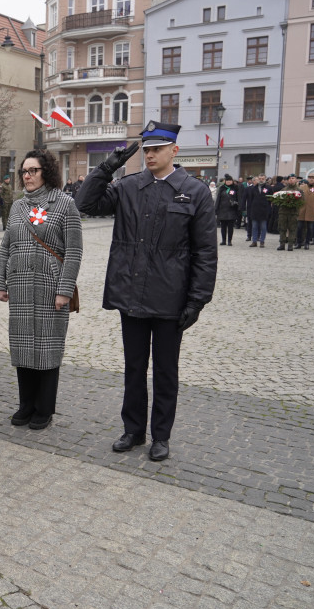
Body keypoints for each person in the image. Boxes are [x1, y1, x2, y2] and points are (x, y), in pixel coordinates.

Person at [75, 121, 217, 462]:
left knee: (166, 371)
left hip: (170, 298)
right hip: (132, 294)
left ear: (174, 150)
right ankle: (134, 429)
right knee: (134, 367)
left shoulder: (194, 191)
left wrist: (198, 300)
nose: (150, 154)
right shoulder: (128, 186)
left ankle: (161, 436)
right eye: (147, 149)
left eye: (157, 149)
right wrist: (108, 167)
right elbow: (85, 203)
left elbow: (206, 252)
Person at [0, 149, 82, 431]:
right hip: (19, 287)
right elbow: (6, 245)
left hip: (49, 287)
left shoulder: (65, 204)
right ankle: (25, 405)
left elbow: (74, 251)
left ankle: (44, 408)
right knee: (22, 348)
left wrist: (65, 290)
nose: (27, 176)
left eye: (33, 171)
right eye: (24, 171)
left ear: (47, 172)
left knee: (47, 347)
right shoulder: (18, 207)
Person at [297, 175, 314, 250]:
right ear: (307, 179)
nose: (311, 180)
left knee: (310, 228)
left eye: (313, 178)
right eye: (310, 178)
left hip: (312, 211)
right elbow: (298, 199)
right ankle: (299, 242)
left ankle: (307, 243)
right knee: (299, 227)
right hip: (302, 210)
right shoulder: (302, 187)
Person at [244, 174, 272, 248]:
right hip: (255, 210)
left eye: (263, 178)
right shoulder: (253, 188)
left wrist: (269, 209)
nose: (261, 180)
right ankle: (254, 241)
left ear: (265, 179)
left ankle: (262, 241)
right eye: (260, 178)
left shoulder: (268, 188)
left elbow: (271, 200)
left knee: (263, 227)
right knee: (254, 227)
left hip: (264, 210)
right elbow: (250, 200)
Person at [276, 174, 302, 251]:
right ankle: (282, 244)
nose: (291, 180)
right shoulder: (283, 190)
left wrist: (295, 203)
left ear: (296, 180)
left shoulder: (299, 190)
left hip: (293, 212)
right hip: (283, 212)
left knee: (292, 229)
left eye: (293, 178)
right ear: (287, 180)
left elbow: (302, 201)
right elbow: (278, 200)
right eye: (290, 178)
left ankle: (290, 244)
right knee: (282, 228)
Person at [214, 176, 240, 246]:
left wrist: (236, 204)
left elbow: (239, 198)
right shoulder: (222, 188)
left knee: (231, 227)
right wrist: (216, 209)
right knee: (223, 227)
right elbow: (218, 199)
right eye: (227, 180)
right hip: (222, 210)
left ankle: (229, 241)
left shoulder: (235, 188)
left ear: (232, 181)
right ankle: (223, 240)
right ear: (225, 181)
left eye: (230, 180)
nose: (228, 182)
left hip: (232, 210)